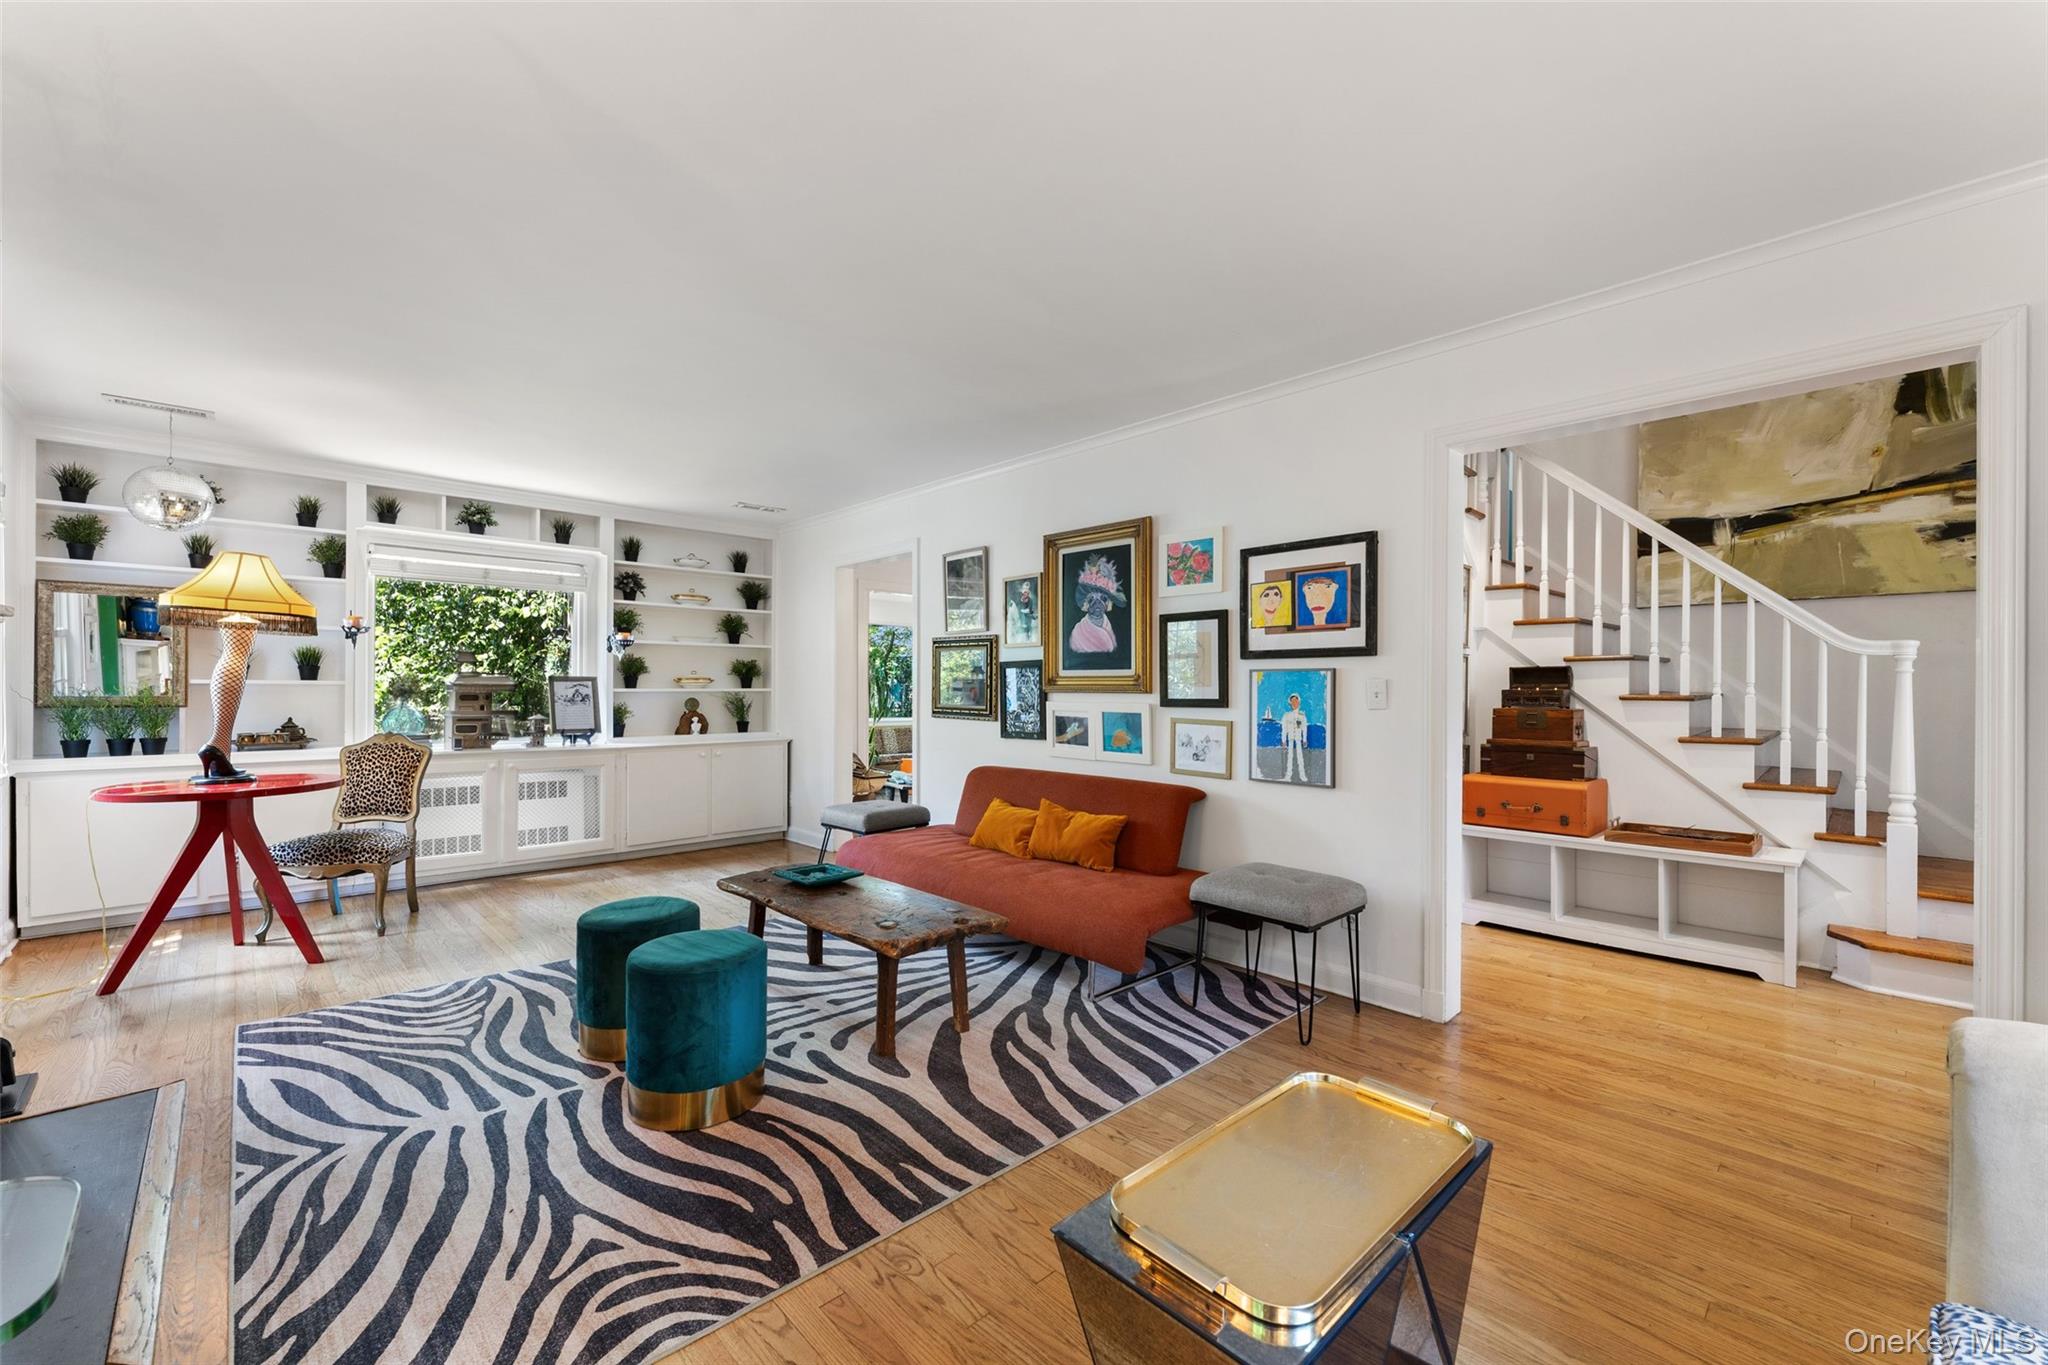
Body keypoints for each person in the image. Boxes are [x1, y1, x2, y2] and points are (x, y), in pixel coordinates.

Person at [1068, 554, 1126, 655]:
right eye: (1091, 599)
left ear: (1108, 603)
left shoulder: (1110, 628)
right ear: (1085, 604)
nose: (1097, 603)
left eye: (1103, 598)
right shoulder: (1078, 631)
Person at [1279, 691, 1310, 782]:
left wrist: (1304, 739)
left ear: (1298, 702)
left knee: (1300, 757)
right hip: (1290, 739)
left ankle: (1302, 775)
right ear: (1290, 703)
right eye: (1292, 701)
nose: (1294, 703)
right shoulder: (1286, 715)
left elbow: (1304, 728)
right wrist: (1283, 741)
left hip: (1298, 739)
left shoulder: (1302, 716)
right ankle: (1288, 776)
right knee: (1290, 757)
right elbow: (1284, 729)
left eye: (1295, 701)